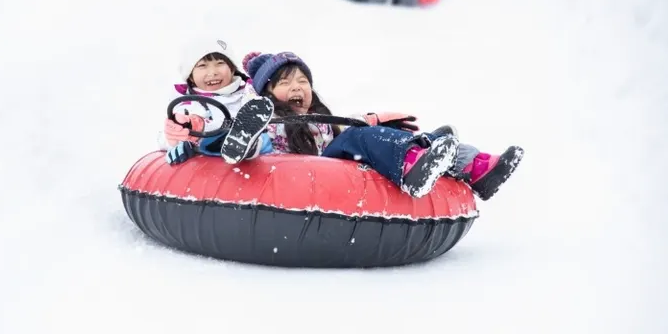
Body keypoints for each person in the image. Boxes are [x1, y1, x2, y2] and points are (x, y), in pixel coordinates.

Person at [220, 52, 525, 201]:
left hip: (331, 165)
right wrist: (254, 116)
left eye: (303, 81)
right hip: (305, 178)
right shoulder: (269, 122)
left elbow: (339, 139)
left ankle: (476, 167)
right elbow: (258, 143)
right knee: (361, 138)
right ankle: (411, 168)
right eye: (285, 83)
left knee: (407, 137)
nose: (297, 87)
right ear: (267, 94)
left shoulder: (319, 120)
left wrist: (375, 121)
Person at [157, 36, 273, 165]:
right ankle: (231, 142)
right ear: (190, 75)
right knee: (203, 135)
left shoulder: (250, 93)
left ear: (232, 68)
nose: (212, 72)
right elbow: (165, 135)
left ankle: (248, 143)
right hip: (208, 164)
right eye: (202, 66)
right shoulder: (185, 103)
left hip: (260, 152)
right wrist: (175, 141)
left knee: (259, 131)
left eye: (220, 63)